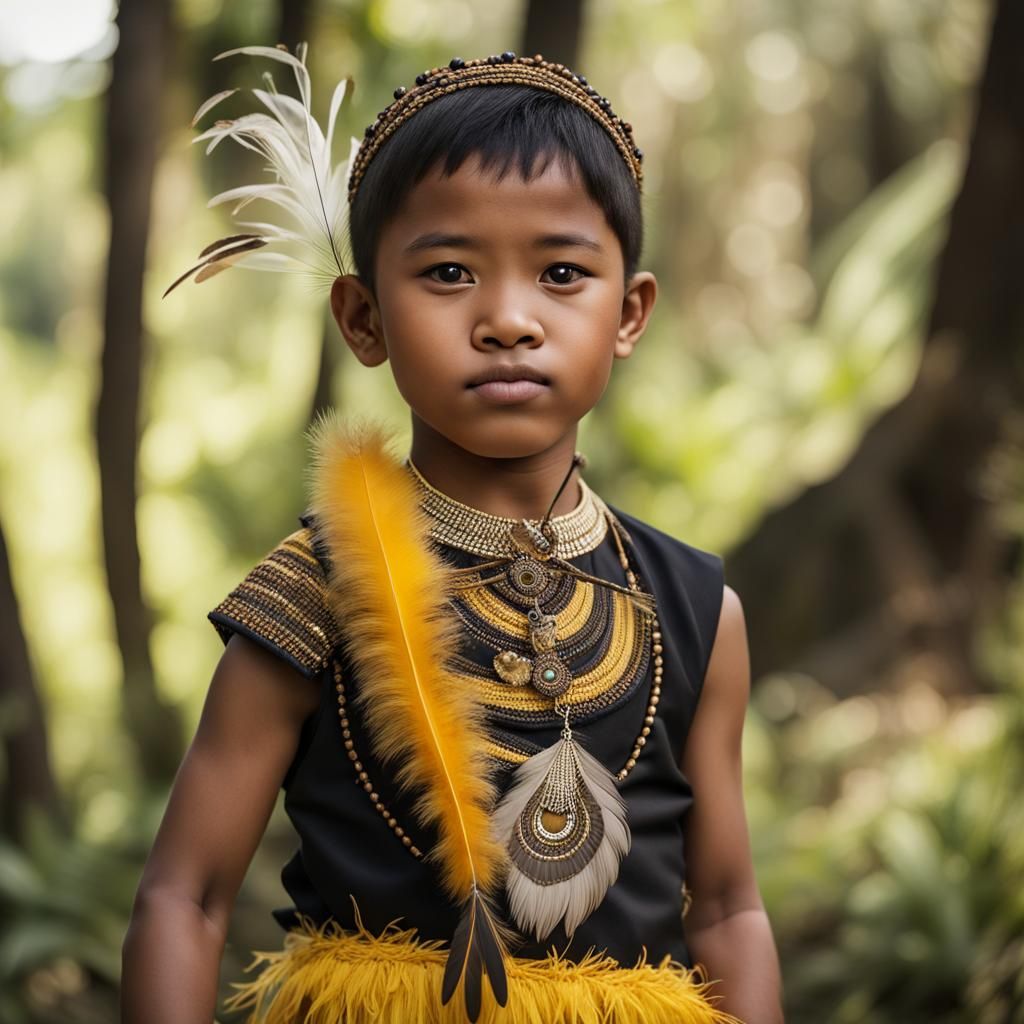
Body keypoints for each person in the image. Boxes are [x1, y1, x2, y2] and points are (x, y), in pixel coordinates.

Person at [121, 45, 784, 1024]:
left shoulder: (693, 608)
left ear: (628, 313)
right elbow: (186, 895)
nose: (508, 319)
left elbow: (727, 906)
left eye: (561, 272)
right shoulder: (314, 589)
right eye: (447, 272)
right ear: (362, 317)